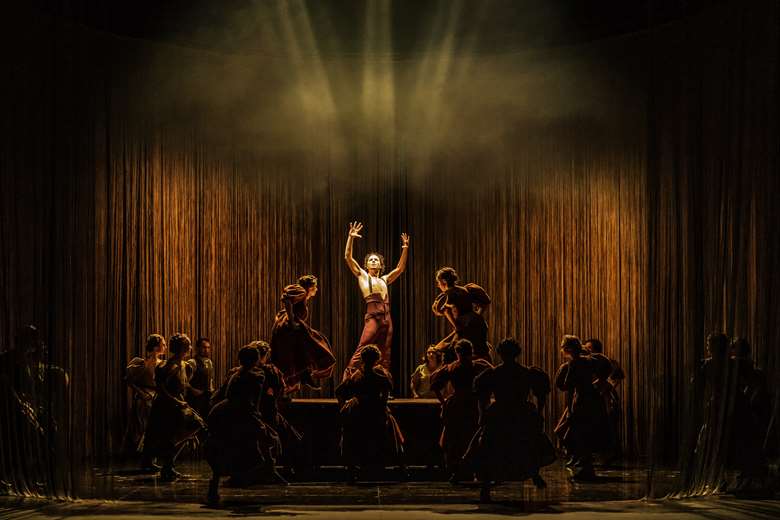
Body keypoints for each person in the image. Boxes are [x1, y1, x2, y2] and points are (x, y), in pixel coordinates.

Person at [468, 338, 556, 502]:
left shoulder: (494, 373)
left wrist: (483, 414)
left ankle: (486, 486)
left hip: (502, 412)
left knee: (492, 447)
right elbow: (541, 394)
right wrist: (539, 411)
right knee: (524, 443)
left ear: (500, 354)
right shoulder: (526, 372)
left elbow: (482, 397)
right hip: (520, 411)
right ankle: (533, 474)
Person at [206, 343, 284, 503]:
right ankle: (252, 474)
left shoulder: (237, 373)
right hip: (239, 412)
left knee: (225, 446)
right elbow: (251, 402)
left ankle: (220, 479)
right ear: (256, 360)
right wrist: (257, 420)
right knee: (264, 441)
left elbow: (224, 394)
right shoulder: (257, 376)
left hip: (223, 411)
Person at [343, 222, 409, 379]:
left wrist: (405, 248)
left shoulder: (385, 279)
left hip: (387, 319)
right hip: (373, 318)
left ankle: (383, 387)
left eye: (376, 260)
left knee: (385, 353)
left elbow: (400, 269)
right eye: (370, 260)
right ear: (366, 265)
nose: (373, 261)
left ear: (381, 265)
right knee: (362, 349)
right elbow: (348, 257)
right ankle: (347, 382)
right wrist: (350, 238)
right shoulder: (363, 276)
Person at [335, 345, 405, 482]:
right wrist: (382, 409)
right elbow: (384, 399)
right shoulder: (380, 377)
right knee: (391, 433)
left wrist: (343, 408)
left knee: (354, 438)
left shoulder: (356, 376)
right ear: (377, 359)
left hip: (358, 411)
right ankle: (399, 467)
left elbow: (339, 392)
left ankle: (352, 468)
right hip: (375, 412)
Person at [142, 333, 206, 481]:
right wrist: (175, 401)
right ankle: (167, 466)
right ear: (184, 348)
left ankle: (167, 461)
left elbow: (182, 386)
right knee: (168, 434)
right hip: (166, 405)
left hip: (178, 403)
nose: (190, 347)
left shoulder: (187, 366)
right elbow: (161, 388)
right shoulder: (165, 366)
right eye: (188, 345)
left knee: (197, 425)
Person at [430, 339, 492, 483]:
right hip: (472, 404)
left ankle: (458, 469)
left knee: (457, 438)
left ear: (458, 353)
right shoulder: (477, 366)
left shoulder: (453, 367)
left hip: (460, 404)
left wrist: (444, 402)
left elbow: (435, 384)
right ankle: (469, 469)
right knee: (469, 436)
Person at [554, 335, 612, 480]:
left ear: (567, 348)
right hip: (594, 399)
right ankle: (587, 467)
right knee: (587, 433)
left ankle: (587, 469)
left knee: (580, 434)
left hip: (581, 400)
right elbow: (607, 368)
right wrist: (598, 383)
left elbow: (566, 385)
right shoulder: (592, 360)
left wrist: (566, 373)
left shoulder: (574, 363)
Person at [271, 275, 336, 390]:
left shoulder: (303, 296)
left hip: (293, 329)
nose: (317, 289)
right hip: (290, 328)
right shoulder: (301, 292)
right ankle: (301, 378)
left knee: (299, 353)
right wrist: (291, 321)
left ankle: (303, 376)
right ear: (311, 287)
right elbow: (287, 301)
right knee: (318, 344)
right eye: (315, 287)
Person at [257, 341, 304, 470]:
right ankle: (288, 467)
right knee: (291, 438)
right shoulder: (270, 371)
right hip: (268, 413)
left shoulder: (241, 372)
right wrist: (292, 389)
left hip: (253, 414)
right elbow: (279, 392)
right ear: (266, 355)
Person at [431, 267, 492, 364]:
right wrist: (476, 316)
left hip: (466, 326)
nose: (438, 285)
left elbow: (444, 310)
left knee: (451, 353)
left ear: (444, 281)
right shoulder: (465, 289)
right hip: (478, 323)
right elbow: (486, 301)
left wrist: (457, 326)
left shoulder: (449, 294)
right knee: (480, 350)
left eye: (438, 282)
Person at [124, 334, 166, 469]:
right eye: (163, 344)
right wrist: (142, 393)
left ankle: (150, 459)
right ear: (155, 347)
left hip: (156, 398)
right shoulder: (140, 363)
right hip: (144, 399)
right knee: (145, 428)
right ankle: (146, 460)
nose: (165, 347)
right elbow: (129, 380)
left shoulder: (163, 364)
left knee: (155, 429)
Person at [583, 338, 625, 464]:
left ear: (596, 349)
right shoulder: (586, 363)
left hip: (606, 398)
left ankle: (613, 453)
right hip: (593, 399)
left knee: (610, 426)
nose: (586, 350)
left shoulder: (607, 362)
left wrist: (605, 388)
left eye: (588, 348)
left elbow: (617, 378)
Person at [186, 337, 215, 420]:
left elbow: (210, 379)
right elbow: (185, 382)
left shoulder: (209, 362)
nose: (206, 350)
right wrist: (194, 390)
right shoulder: (192, 362)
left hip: (207, 397)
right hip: (195, 399)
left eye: (208, 347)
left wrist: (211, 390)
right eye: (204, 347)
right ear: (197, 348)